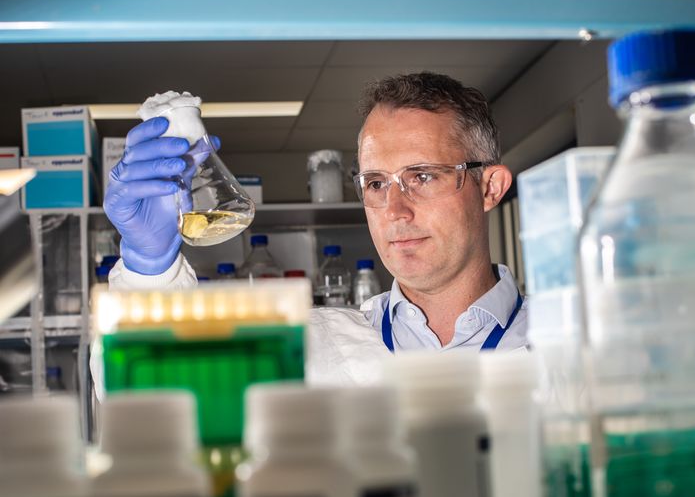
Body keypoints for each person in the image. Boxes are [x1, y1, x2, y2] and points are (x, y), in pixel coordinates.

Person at [103, 72, 527, 385]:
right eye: (376, 183)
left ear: (490, 187)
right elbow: (151, 391)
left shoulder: (568, 337)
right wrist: (148, 266)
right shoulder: (309, 345)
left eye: (423, 176)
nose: (395, 210)